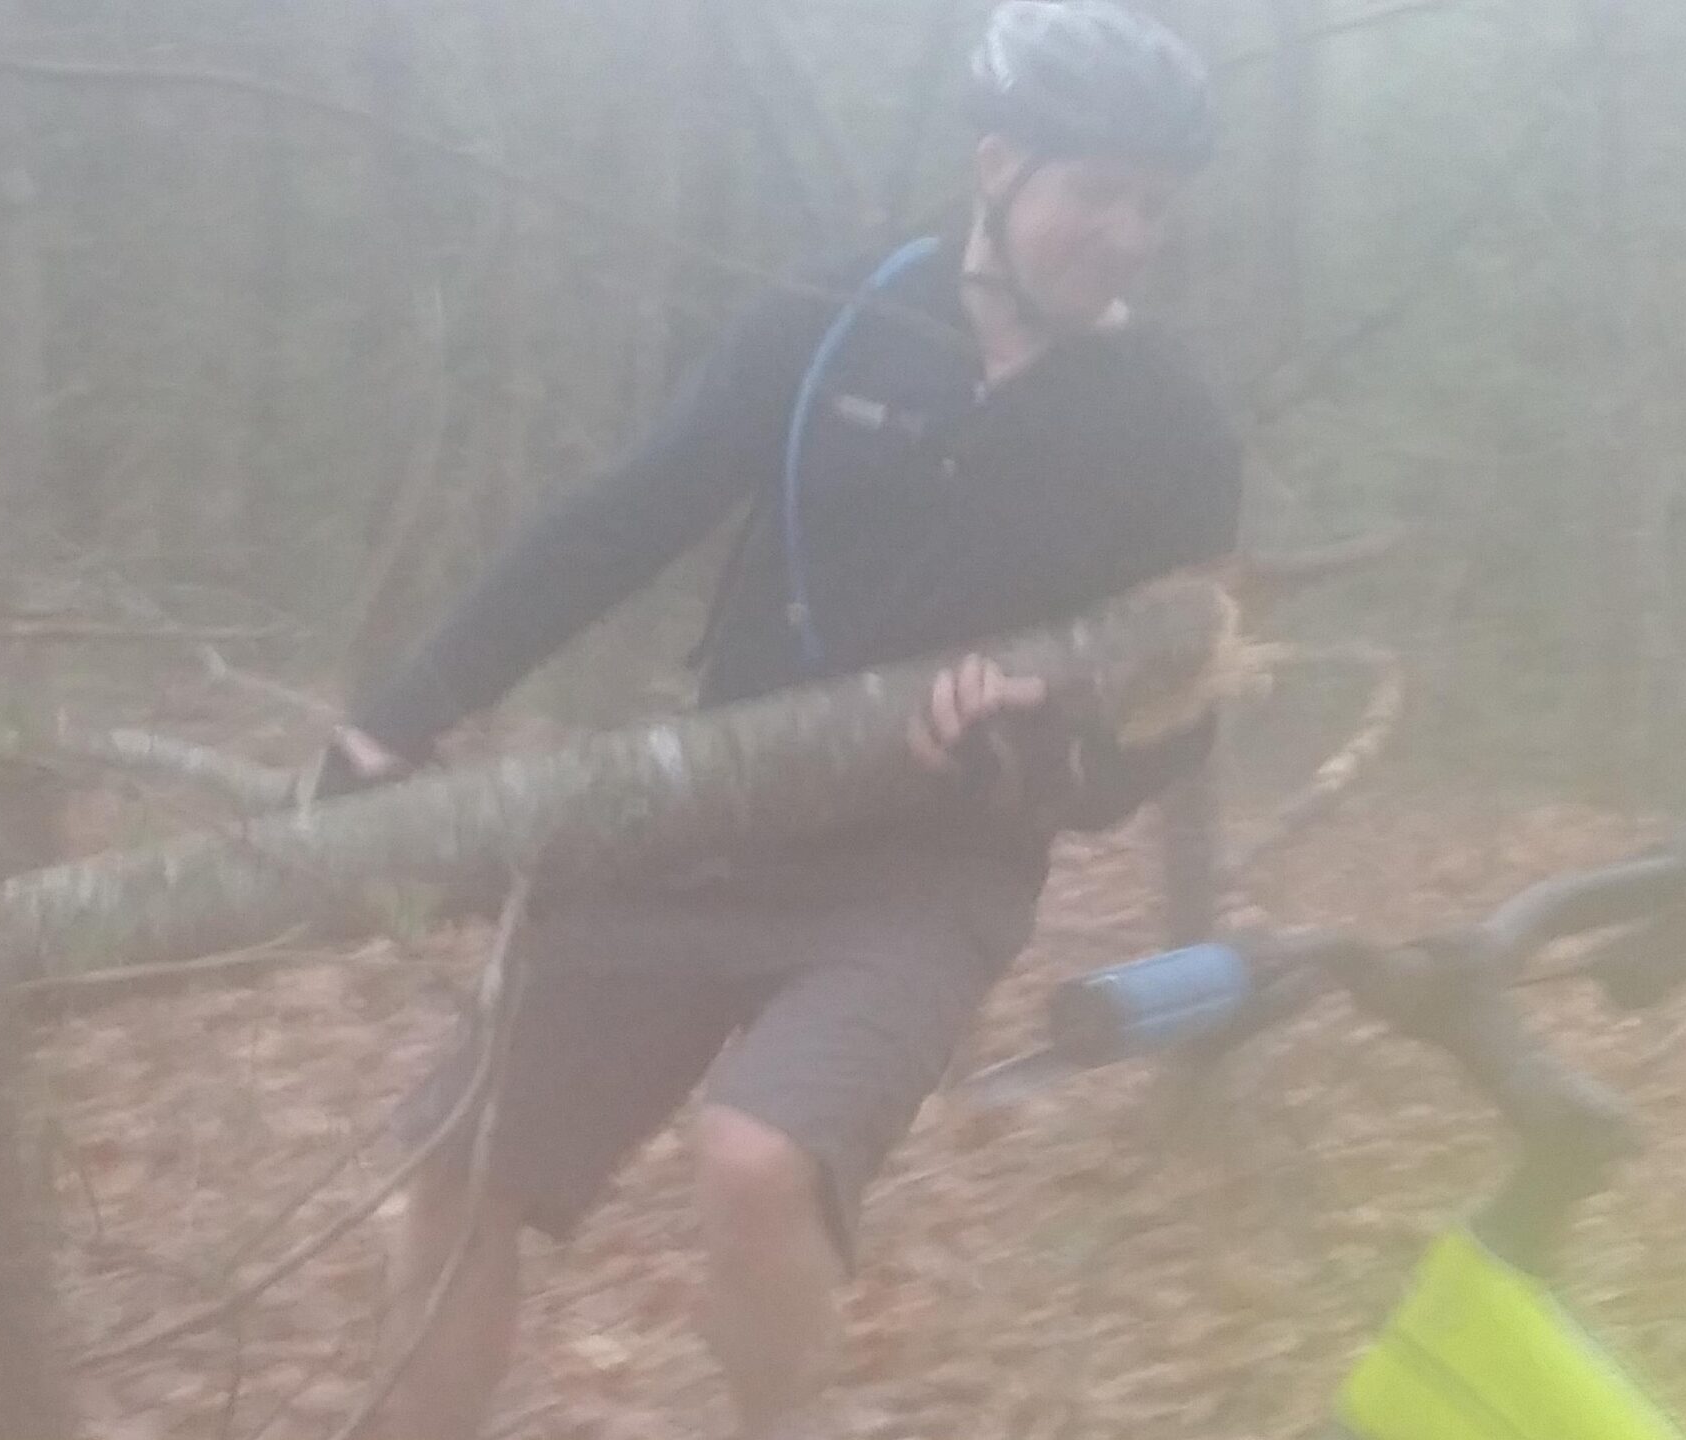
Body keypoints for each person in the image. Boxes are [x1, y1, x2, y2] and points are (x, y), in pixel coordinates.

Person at [315, 5, 1240, 1436]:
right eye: (1093, 192)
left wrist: (1065, 760)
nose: (1125, 233)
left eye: (1154, 207)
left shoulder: (1170, 424)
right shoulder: (831, 318)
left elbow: (1188, 696)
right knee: (454, 1169)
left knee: (757, 1162)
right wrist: (405, 712)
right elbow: (619, 521)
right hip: (709, 823)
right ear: (998, 164)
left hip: (925, 875)